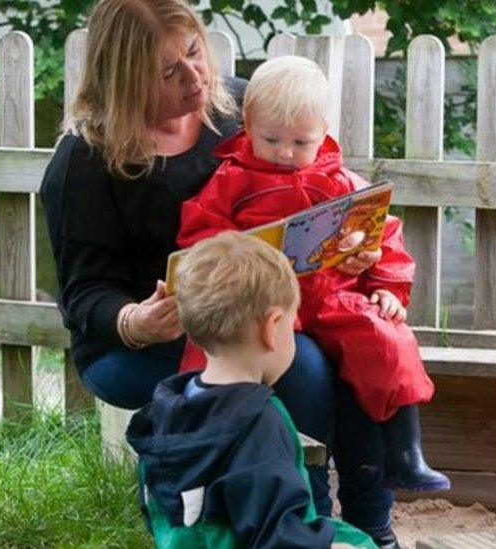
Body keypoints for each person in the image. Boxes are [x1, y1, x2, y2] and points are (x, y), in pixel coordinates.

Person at [39, 1, 402, 546]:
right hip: (141, 342)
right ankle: (304, 516)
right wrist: (136, 319)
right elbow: (84, 296)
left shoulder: (239, 106)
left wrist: (349, 250)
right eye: (169, 72)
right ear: (124, 80)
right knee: (296, 365)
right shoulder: (84, 161)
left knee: (370, 339)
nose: (196, 77)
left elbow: (319, 176)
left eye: (194, 53)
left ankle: (365, 519)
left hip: (273, 307)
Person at [176, 55, 449, 493]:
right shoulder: (232, 180)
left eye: (301, 142)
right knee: (224, 352)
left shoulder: (342, 181)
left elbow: (384, 236)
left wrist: (384, 283)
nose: (285, 153)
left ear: (324, 130)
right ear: (247, 124)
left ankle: (406, 452)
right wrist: (234, 257)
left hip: (334, 297)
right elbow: (200, 237)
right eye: (271, 139)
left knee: (388, 338)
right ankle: (207, 441)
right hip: (265, 304)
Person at [127, 232, 376, 549]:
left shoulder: (165, 411)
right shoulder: (257, 423)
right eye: (290, 324)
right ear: (272, 328)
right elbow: (275, 531)